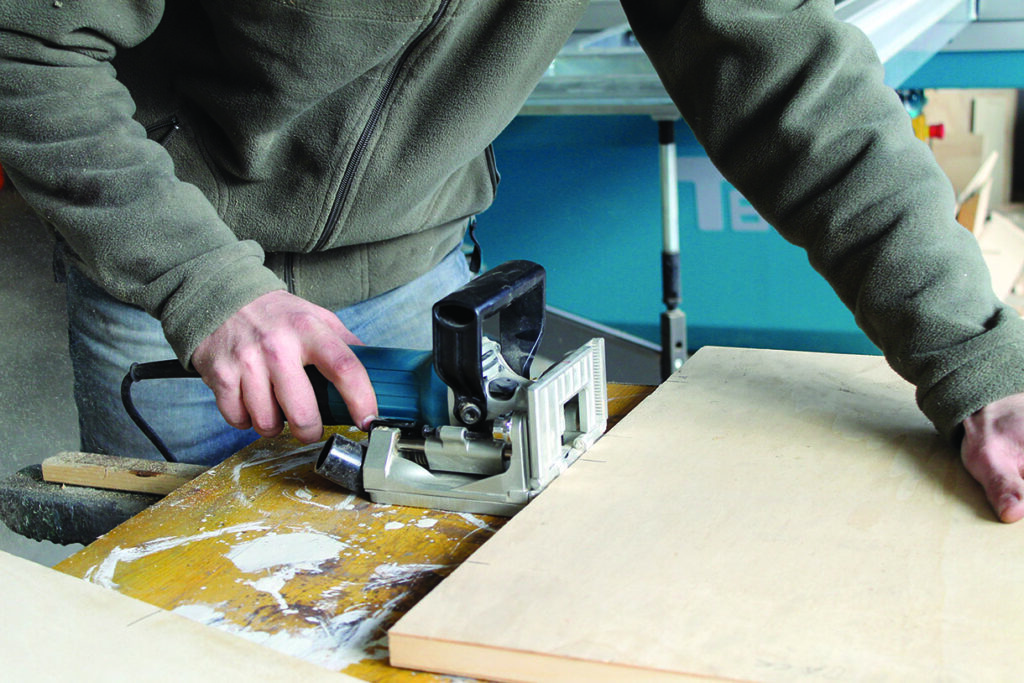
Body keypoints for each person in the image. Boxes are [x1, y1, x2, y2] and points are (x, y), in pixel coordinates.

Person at [2, 1, 1023, 522]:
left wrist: (978, 365)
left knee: (416, 611)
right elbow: (26, 47)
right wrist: (201, 280)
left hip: (420, 269)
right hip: (183, 278)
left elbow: (797, 93)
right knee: (189, 625)